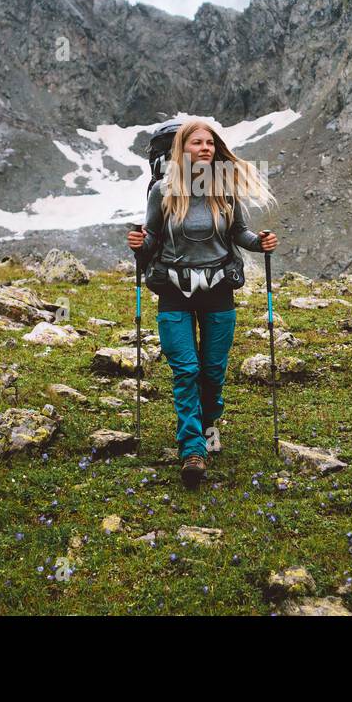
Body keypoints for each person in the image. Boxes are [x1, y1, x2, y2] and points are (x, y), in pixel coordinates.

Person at [127, 119, 278, 489]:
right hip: (173, 291)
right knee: (186, 370)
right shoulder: (161, 191)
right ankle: (192, 448)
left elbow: (238, 232)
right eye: (197, 142)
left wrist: (259, 242)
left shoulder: (224, 189)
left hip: (219, 289)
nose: (206, 148)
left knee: (212, 372)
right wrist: (137, 243)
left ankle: (209, 425)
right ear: (182, 148)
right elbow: (152, 240)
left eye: (210, 143)